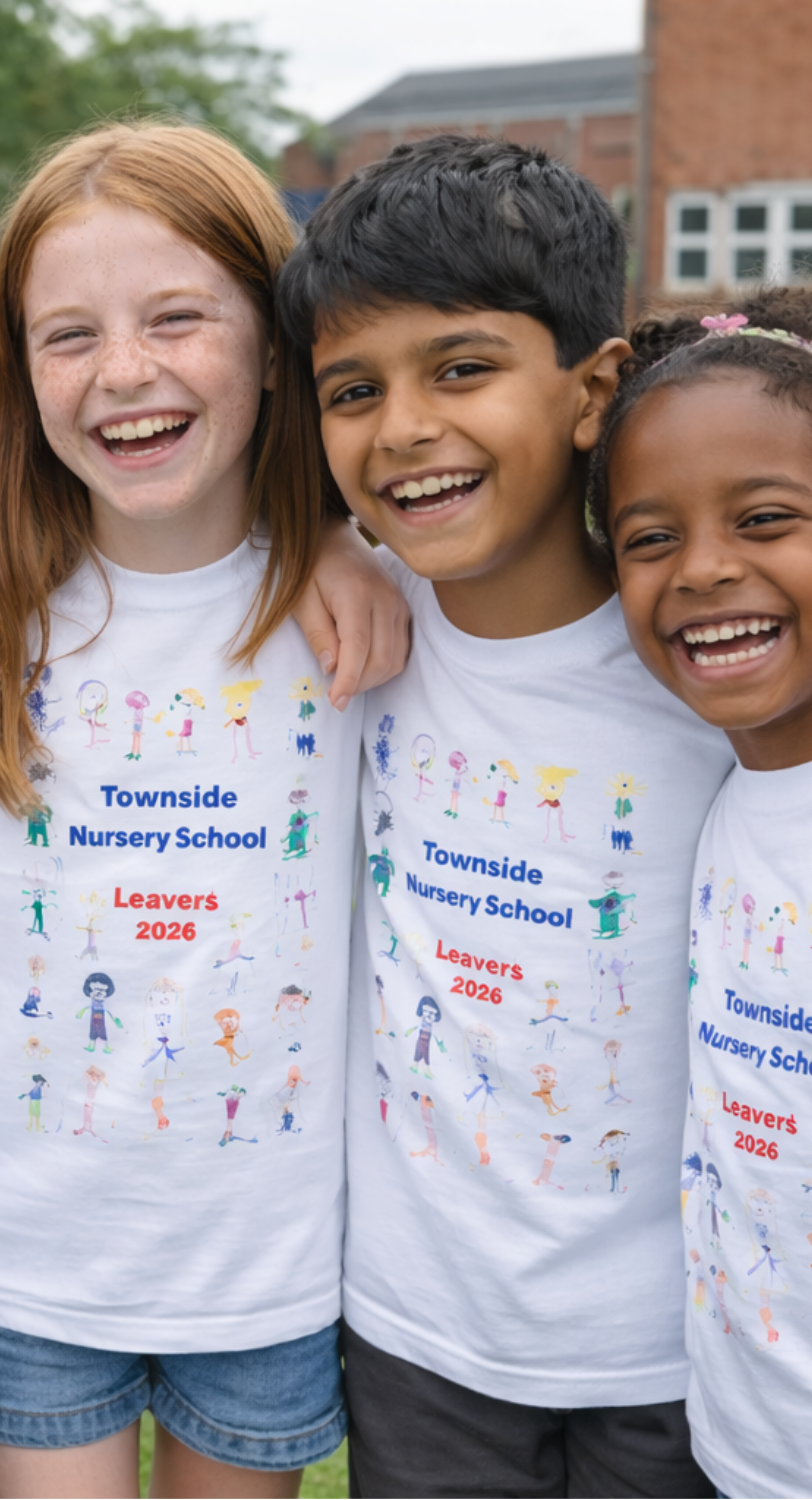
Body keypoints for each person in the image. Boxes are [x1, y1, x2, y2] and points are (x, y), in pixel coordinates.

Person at [0, 121, 406, 1500]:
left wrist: (327, 529)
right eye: (65, 336)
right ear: (19, 371)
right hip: (31, 1248)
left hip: (264, 1255)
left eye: (179, 318)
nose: (123, 372)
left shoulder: (375, 605)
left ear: (274, 337)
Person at [276, 133, 733, 1497]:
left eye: (461, 368)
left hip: (679, 1355)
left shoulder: (719, 665)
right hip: (424, 1348)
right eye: (353, 390)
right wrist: (310, 535)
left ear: (595, 389)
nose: (404, 426)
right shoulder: (345, 625)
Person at [599, 287, 812, 1500]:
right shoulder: (722, 799)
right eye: (648, 538)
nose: (706, 571)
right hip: (740, 1449)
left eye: (767, 516)